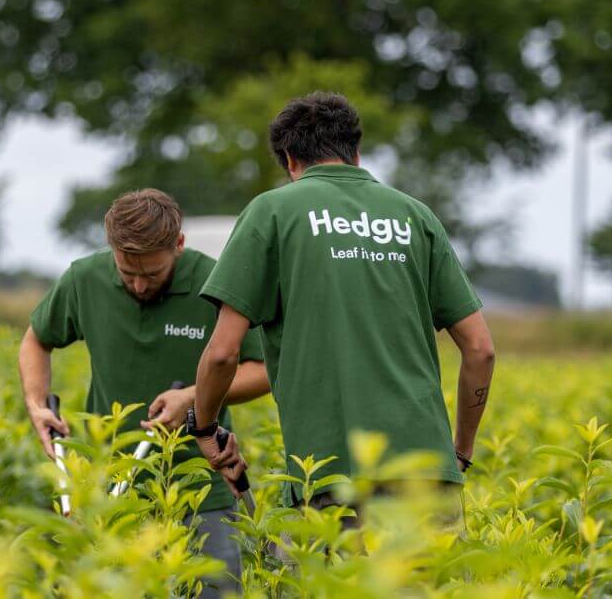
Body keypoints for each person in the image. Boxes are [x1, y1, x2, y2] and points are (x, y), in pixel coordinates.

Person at [188, 92, 495, 522]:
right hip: (428, 473)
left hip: (331, 474)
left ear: (290, 159)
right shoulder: (416, 216)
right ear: (357, 151)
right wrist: (459, 451)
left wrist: (204, 427)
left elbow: (223, 353)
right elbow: (481, 350)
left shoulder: (272, 211)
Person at [18, 188, 270, 597]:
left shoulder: (216, 282)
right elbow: (36, 340)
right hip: (112, 494)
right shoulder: (85, 279)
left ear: (179, 245)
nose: (138, 285)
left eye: (152, 274)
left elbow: (262, 371)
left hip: (201, 490)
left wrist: (193, 396)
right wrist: (35, 403)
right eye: (126, 272)